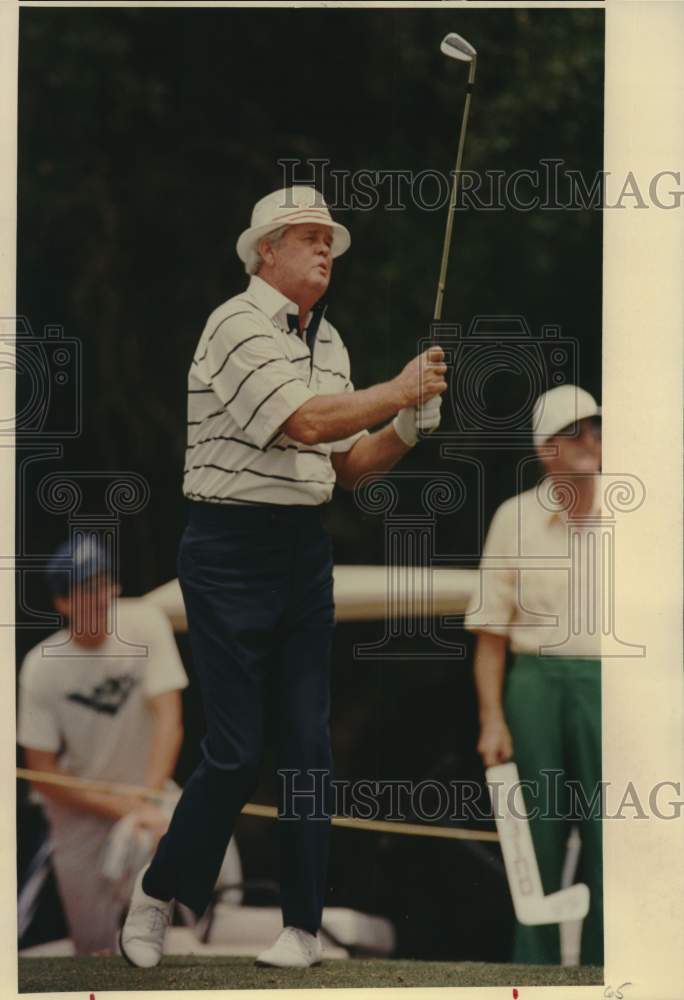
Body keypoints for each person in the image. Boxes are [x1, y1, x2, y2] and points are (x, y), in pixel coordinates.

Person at [120, 185, 447, 970]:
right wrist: (397, 391)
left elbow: (350, 468)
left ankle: (302, 926)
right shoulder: (234, 324)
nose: (325, 248)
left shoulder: (329, 344)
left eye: (329, 239)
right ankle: (159, 891)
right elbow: (301, 422)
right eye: (308, 237)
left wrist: (406, 426)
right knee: (236, 751)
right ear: (265, 251)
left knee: (308, 745)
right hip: (227, 548)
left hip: (302, 548)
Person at [464, 384, 603, 965]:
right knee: (535, 831)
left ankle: (609, 968)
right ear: (547, 449)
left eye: (596, 426)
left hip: (612, 686)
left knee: (615, 830)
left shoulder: (637, 513)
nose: (592, 438)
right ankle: (534, 970)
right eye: (576, 430)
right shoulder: (514, 517)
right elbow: (490, 635)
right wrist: (492, 720)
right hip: (534, 683)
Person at [17, 536, 189, 955]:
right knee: (92, 945)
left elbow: (169, 717)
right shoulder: (40, 667)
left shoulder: (145, 622)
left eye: (103, 584)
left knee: (187, 853)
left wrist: (145, 802)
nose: (99, 597)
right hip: (79, 812)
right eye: (85, 589)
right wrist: (122, 807)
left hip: (149, 795)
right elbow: (42, 773)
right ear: (63, 602)